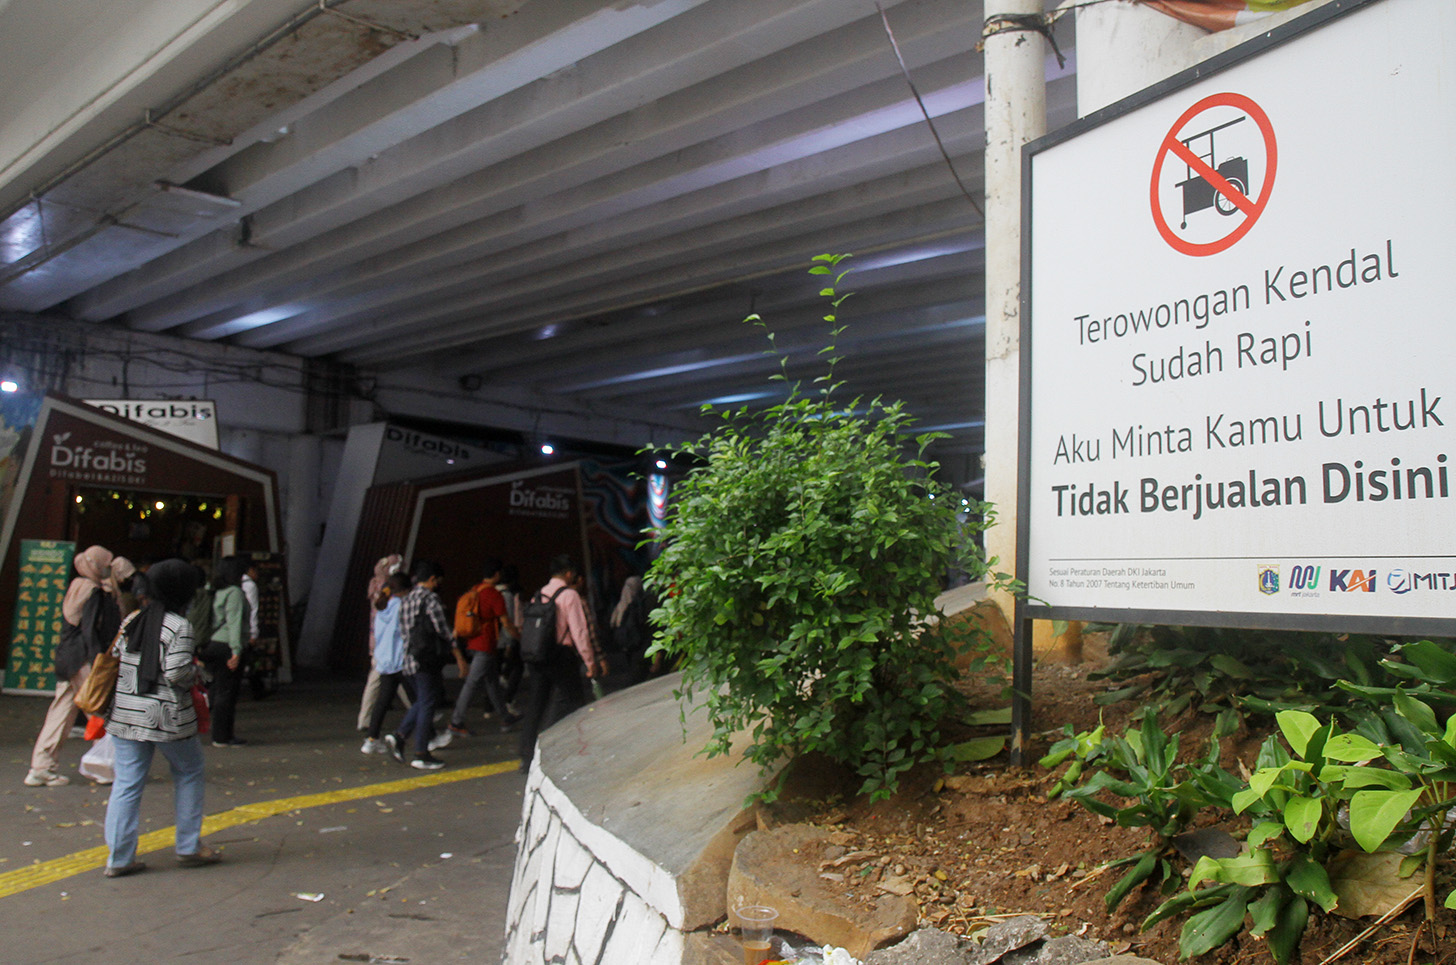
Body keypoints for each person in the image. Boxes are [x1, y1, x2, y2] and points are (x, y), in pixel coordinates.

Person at [103, 558, 220, 877]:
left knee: (127, 783)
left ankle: (119, 858)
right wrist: (199, 672)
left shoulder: (133, 619)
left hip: (126, 714)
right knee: (190, 770)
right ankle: (188, 846)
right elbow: (176, 671)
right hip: (166, 718)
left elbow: (117, 656)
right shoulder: (179, 626)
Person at [25, 546, 124, 787]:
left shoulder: (76, 585)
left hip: (66, 656)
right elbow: (90, 629)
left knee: (62, 711)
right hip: (82, 660)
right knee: (99, 710)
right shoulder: (93, 591)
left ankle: (41, 767)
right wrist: (98, 662)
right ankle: (102, 766)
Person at [517, 555, 606, 771]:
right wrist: (589, 660)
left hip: (538, 655)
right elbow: (579, 630)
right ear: (568, 573)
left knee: (536, 703)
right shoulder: (569, 595)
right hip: (561, 656)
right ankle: (549, 749)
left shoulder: (540, 594)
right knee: (571, 701)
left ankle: (527, 756)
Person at [385, 560, 454, 770]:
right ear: (432, 579)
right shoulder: (430, 599)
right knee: (427, 704)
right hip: (426, 660)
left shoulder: (406, 600)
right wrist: (455, 644)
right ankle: (421, 752)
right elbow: (443, 630)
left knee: (423, 700)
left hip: (409, 659)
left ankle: (400, 736)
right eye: (438, 581)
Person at [449, 557, 521, 736]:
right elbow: (506, 622)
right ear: (496, 574)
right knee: (472, 683)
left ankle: (505, 716)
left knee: (492, 682)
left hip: (472, 640)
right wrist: (519, 638)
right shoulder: (494, 595)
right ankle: (456, 721)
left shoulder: (475, 590)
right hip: (486, 644)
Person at [361, 572, 414, 754]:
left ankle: (371, 739)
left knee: (382, 701)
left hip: (384, 659)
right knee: (418, 700)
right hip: (400, 660)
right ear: (406, 590)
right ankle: (427, 737)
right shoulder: (403, 606)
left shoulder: (383, 606)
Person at [357, 554, 408, 730]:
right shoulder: (394, 599)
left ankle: (365, 721)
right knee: (390, 682)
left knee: (383, 682)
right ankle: (419, 712)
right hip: (389, 648)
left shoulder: (377, 588)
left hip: (379, 644)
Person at [205, 556, 251, 747]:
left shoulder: (212, 590)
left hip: (211, 643)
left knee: (215, 688)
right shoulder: (234, 593)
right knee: (227, 692)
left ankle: (215, 731)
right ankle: (222, 735)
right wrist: (236, 651)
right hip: (227, 645)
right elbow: (234, 623)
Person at [609, 576, 652, 685]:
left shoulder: (621, 605)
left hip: (626, 645)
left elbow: (612, 623)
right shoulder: (638, 604)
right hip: (637, 644)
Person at [497, 564, 525, 713]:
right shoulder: (509, 595)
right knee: (518, 667)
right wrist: (511, 641)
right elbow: (509, 620)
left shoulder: (492, 592)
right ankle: (508, 700)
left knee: (491, 675)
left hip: (493, 639)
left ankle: (490, 708)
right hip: (507, 637)